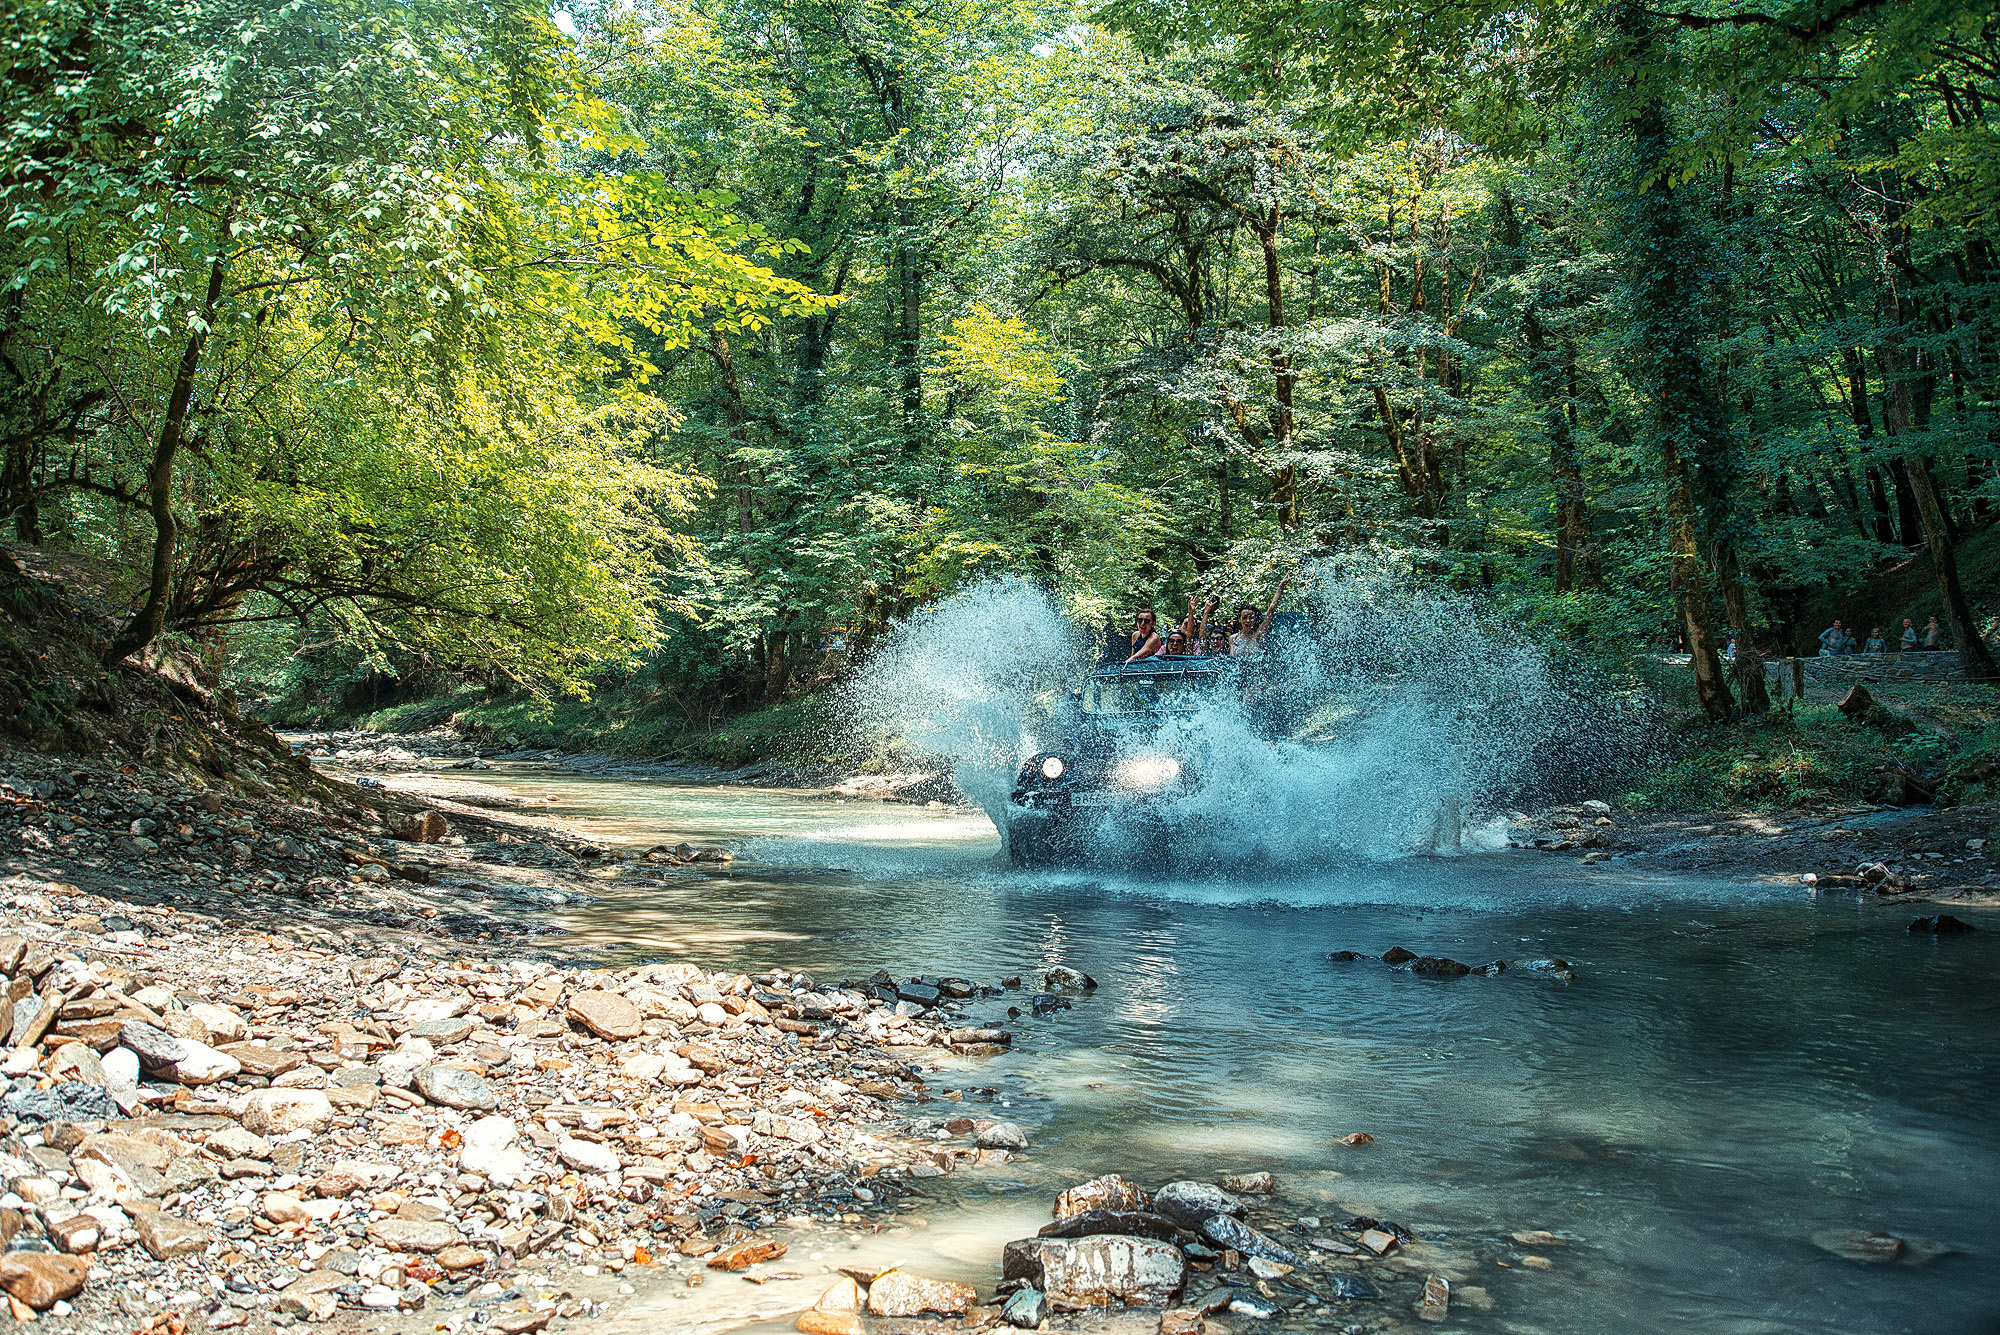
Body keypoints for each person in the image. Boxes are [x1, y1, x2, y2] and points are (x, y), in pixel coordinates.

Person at [1230, 576, 1291, 656]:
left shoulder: (1258, 636)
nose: (1248, 621)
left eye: (1251, 617)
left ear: (1255, 619)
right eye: (1244, 617)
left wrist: (1281, 586)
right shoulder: (1233, 639)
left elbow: (1272, 609)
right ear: (1239, 619)